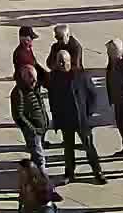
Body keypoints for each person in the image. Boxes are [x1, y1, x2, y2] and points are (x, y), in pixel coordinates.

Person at [44, 51, 106, 184]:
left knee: (89, 146)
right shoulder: (54, 77)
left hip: (81, 119)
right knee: (68, 148)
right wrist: (56, 118)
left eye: (63, 61)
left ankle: (97, 171)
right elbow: (53, 99)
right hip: (65, 119)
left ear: (69, 61)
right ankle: (69, 173)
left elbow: (93, 94)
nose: (61, 64)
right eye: (59, 61)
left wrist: (89, 112)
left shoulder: (80, 75)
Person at [11, 63, 53, 171]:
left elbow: (40, 106)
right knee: (40, 160)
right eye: (32, 80)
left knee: (36, 155)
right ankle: (45, 182)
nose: (35, 83)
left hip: (40, 128)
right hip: (33, 131)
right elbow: (18, 115)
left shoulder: (34, 88)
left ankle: (33, 174)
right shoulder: (18, 92)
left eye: (35, 80)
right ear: (24, 78)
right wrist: (32, 129)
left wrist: (45, 121)